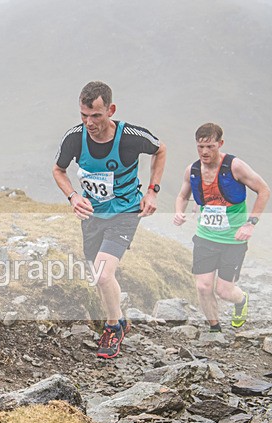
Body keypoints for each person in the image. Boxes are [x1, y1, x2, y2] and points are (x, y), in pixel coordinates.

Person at [52, 81, 166, 359]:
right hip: (93, 214)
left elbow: (160, 150)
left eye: (96, 116)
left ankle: (113, 328)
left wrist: (152, 191)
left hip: (126, 212)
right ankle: (119, 319)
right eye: (83, 115)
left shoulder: (131, 137)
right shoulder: (74, 138)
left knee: (103, 274)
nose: (89, 123)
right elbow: (58, 169)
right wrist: (73, 197)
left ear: (111, 110)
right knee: (98, 276)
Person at [173, 123, 269, 331]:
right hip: (205, 238)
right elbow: (182, 195)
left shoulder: (235, 166)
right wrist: (179, 212)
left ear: (220, 144)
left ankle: (242, 300)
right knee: (203, 286)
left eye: (210, 146)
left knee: (224, 291)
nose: (205, 152)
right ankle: (214, 329)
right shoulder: (193, 170)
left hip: (233, 240)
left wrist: (250, 224)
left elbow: (263, 190)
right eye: (200, 147)